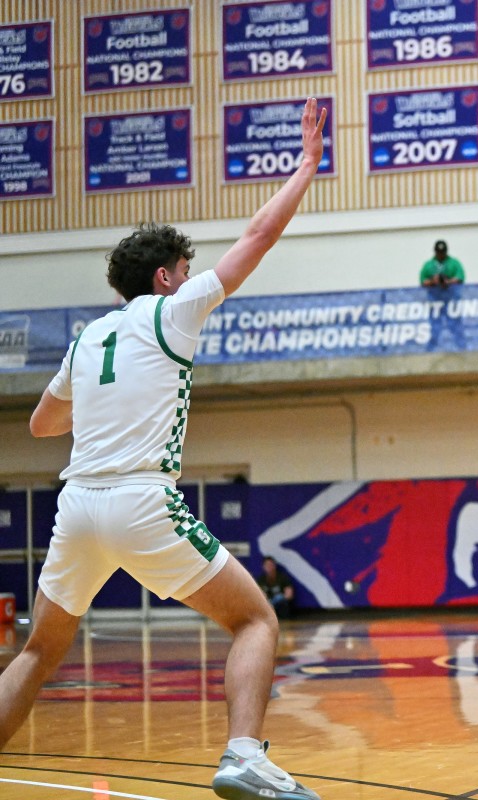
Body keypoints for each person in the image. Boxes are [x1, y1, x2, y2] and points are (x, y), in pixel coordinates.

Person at [6, 99, 328, 799]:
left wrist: (96, 406)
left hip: (77, 505)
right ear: (166, 277)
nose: (192, 276)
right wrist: (305, 166)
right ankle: (244, 756)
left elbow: (40, 425)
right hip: (141, 499)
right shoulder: (174, 309)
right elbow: (257, 236)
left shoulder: (88, 337)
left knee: (35, 652)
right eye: (186, 267)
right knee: (254, 618)